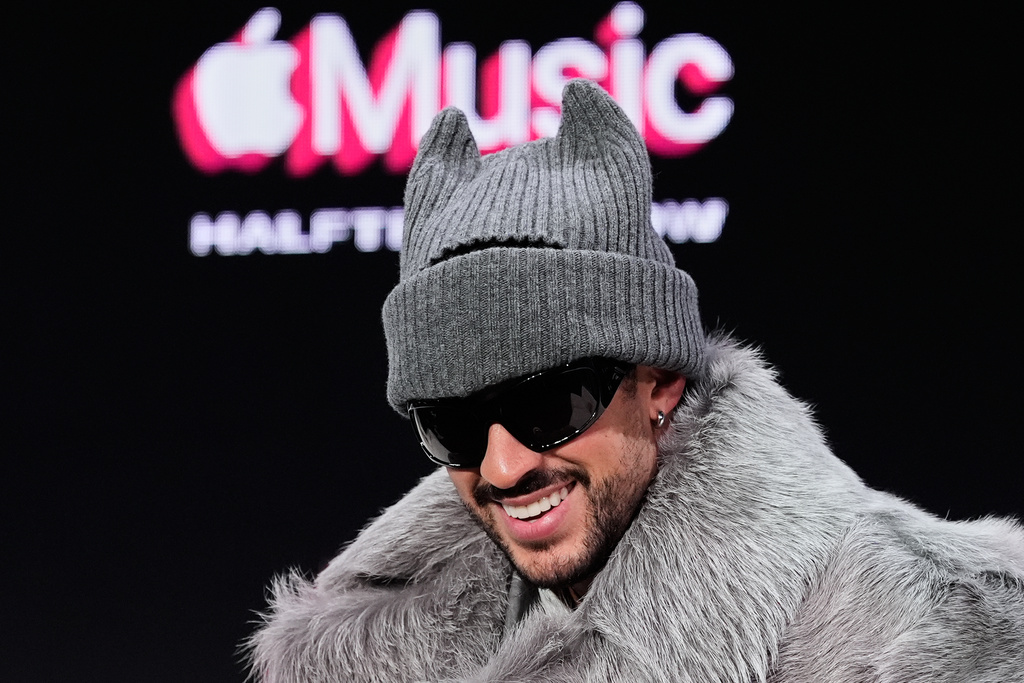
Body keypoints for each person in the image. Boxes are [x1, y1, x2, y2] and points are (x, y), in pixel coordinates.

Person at [248, 79, 1024, 682]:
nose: (503, 467)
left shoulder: (922, 635)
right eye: (451, 423)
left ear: (660, 383)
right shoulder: (366, 647)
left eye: (551, 401)